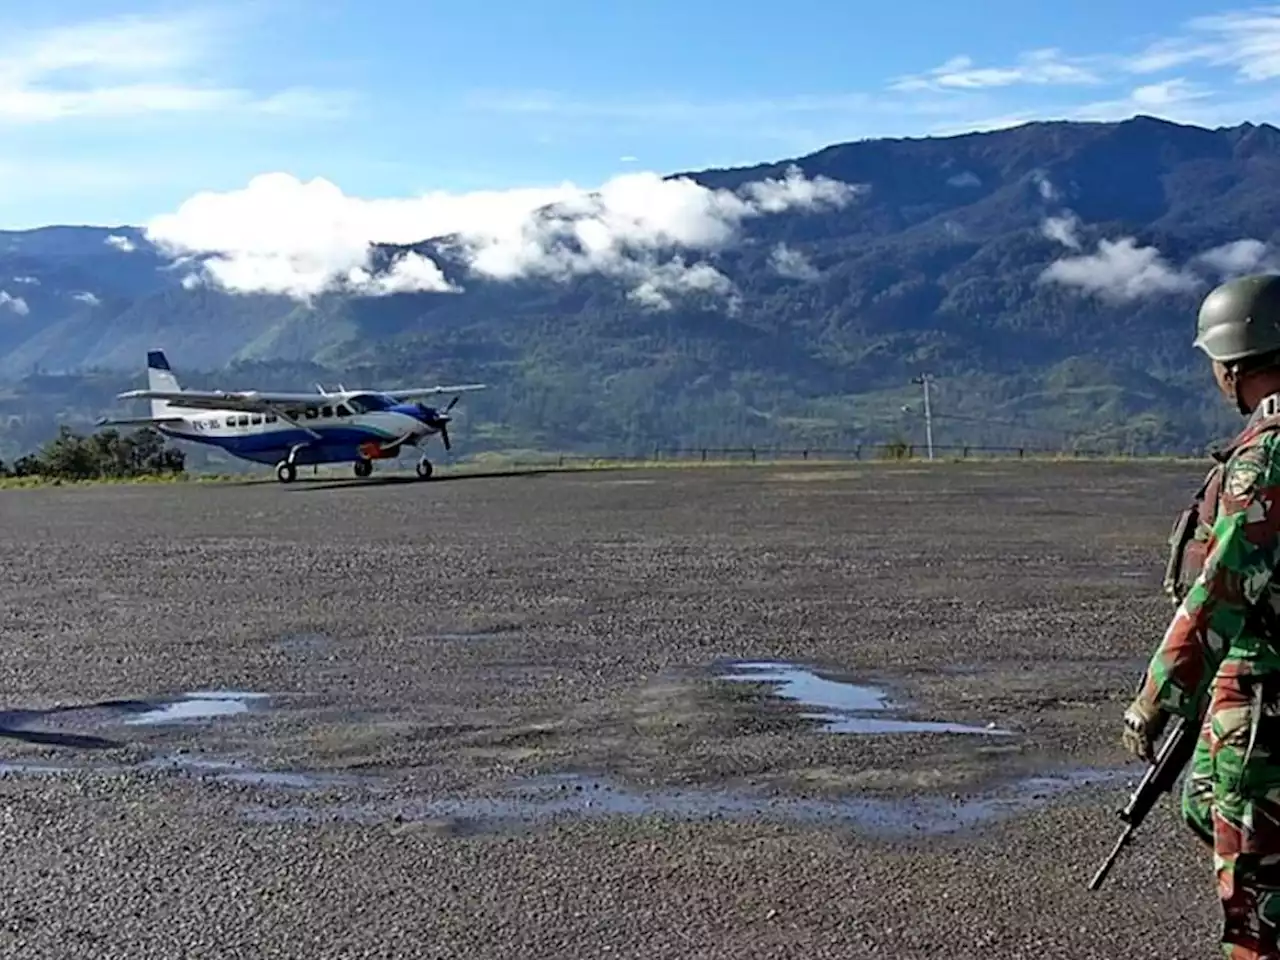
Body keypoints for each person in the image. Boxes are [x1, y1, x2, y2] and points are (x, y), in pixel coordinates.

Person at [1125, 272, 1280, 958]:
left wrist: (1157, 696)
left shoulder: (1270, 452)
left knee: (1254, 900)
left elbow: (1222, 584)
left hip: (1262, 701)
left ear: (1234, 362)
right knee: (1204, 802)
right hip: (1245, 700)